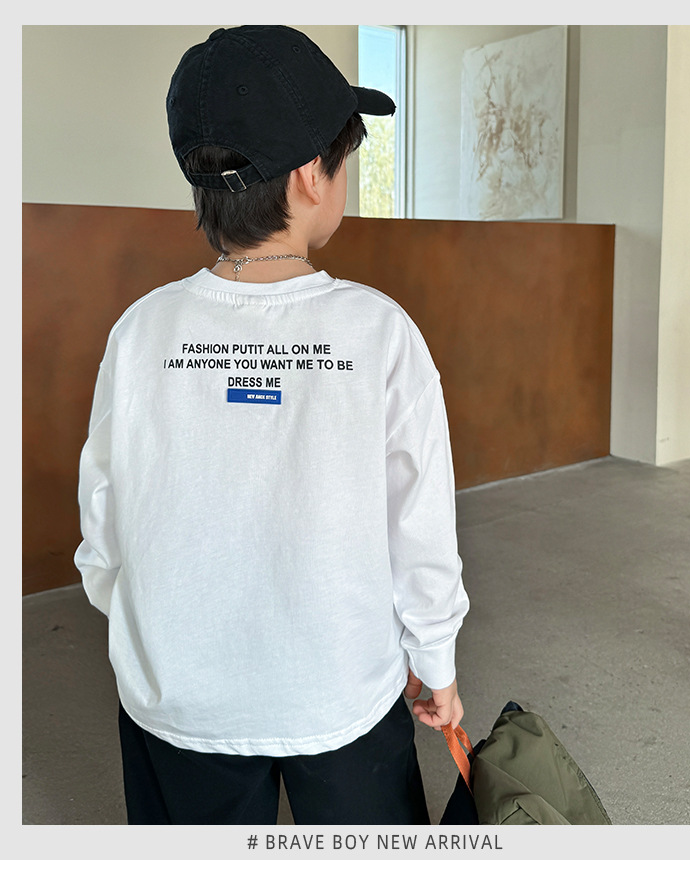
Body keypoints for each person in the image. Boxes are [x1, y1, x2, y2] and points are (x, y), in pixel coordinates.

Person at [74, 24, 469, 826]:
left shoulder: (140, 332)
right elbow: (419, 524)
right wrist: (435, 658)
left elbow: (103, 522)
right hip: (342, 690)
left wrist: (154, 633)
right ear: (311, 175)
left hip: (177, 699)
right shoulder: (380, 331)